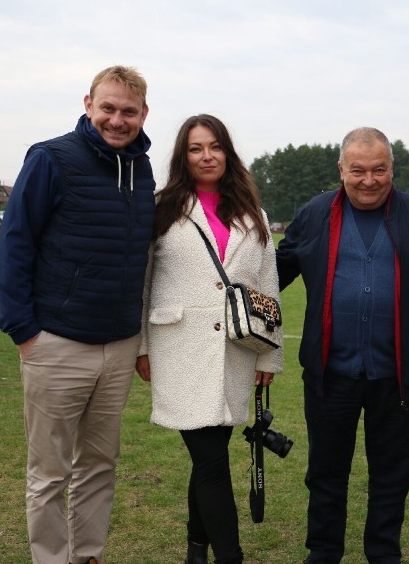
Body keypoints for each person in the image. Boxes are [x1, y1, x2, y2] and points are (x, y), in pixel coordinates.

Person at [0, 65, 155, 564]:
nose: (117, 119)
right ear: (88, 104)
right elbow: (15, 243)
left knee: (100, 465)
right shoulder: (51, 158)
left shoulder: (143, 169)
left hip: (118, 345)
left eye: (128, 111)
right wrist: (25, 332)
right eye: (107, 108)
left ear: (143, 114)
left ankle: (88, 555)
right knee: (49, 473)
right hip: (57, 344)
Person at [277, 127, 409, 564]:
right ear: (341, 169)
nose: (369, 180)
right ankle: (323, 552)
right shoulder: (313, 214)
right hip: (331, 372)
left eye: (379, 170)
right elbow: (275, 272)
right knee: (327, 473)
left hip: (396, 372)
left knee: (392, 474)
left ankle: (384, 553)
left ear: (393, 168)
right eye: (358, 171)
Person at [135, 114, 282, 564]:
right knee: (213, 464)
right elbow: (140, 283)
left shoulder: (252, 212)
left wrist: (269, 358)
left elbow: (267, 287)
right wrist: (141, 346)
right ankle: (229, 557)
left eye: (215, 146)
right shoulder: (161, 208)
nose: (206, 156)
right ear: (184, 155)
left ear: (227, 152)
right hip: (177, 349)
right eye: (196, 148)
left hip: (236, 351)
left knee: (209, 459)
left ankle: (196, 547)